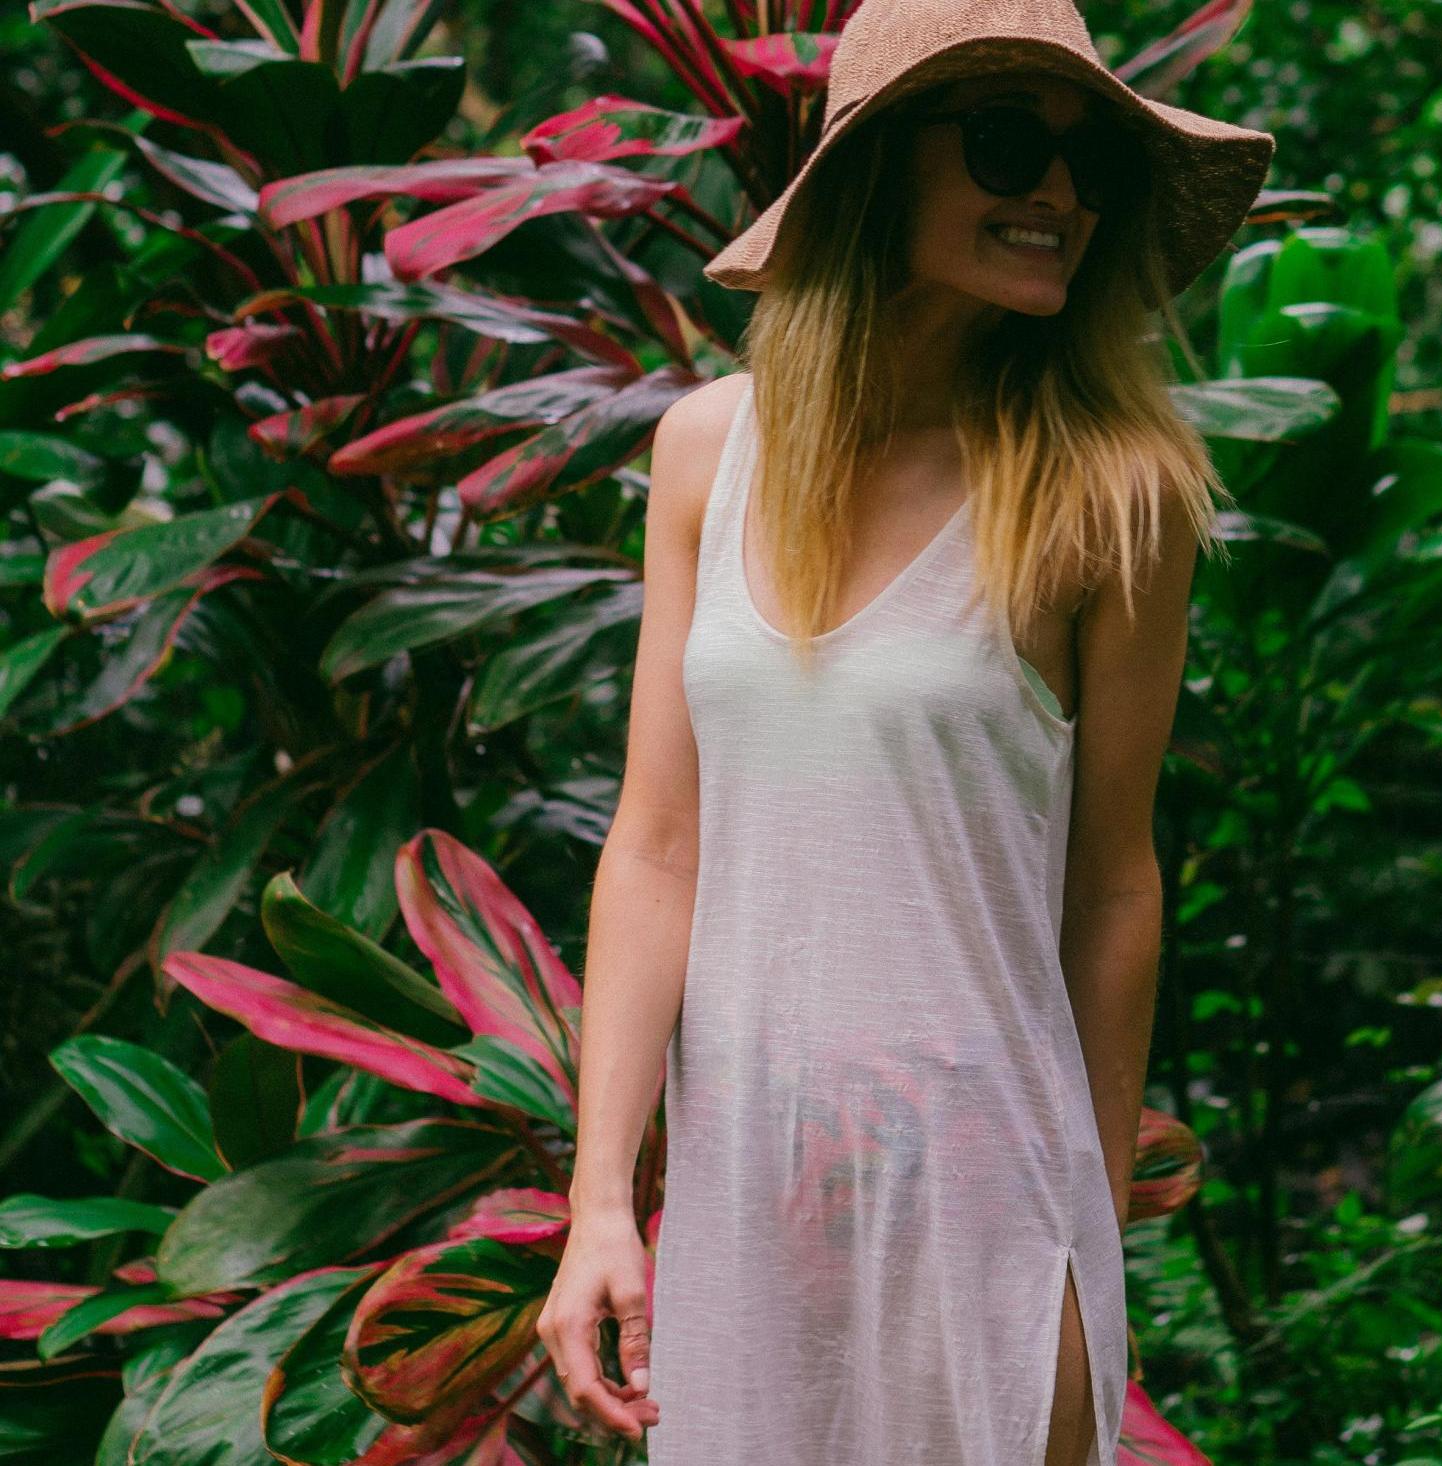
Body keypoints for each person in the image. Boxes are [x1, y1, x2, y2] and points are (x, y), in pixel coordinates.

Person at [535, 2, 1275, 1463]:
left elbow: (1115, 883)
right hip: (753, 1206)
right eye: (1009, 146)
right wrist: (602, 1202)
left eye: (1085, 167)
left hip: (991, 1199)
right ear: (879, 172)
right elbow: (661, 846)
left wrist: (1086, 1212)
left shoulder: (1109, 493)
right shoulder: (704, 455)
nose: (1058, 195)